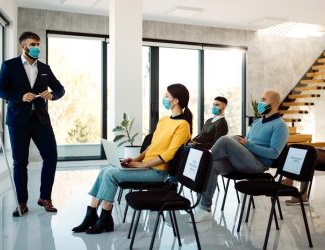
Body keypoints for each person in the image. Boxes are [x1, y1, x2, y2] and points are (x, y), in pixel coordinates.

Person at [72, 83, 192, 234]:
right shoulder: (164, 121)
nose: (164, 99)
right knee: (105, 170)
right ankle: (91, 214)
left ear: (175, 101)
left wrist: (142, 165)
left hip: (157, 173)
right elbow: (151, 147)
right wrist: (135, 159)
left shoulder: (183, 125)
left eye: (166, 96)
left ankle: (105, 218)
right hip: (147, 166)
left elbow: (170, 154)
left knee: (110, 174)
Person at [191, 90, 288, 223]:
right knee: (213, 164)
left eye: (263, 100)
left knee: (225, 140)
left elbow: (274, 153)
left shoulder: (280, 126)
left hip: (258, 165)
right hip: (244, 159)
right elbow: (248, 142)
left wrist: (248, 145)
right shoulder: (257, 122)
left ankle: (199, 164)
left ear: (274, 103)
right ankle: (205, 208)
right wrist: (240, 142)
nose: (260, 102)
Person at [0, 31, 65, 216]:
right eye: (32, 45)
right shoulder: (9, 66)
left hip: (41, 120)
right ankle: (22, 203)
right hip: (18, 121)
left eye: (38, 45)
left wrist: (53, 95)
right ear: (23, 45)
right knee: (20, 163)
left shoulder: (44, 68)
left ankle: (45, 197)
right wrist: (20, 96)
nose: (36, 48)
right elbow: (0, 89)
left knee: (51, 157)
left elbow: (60, 88)